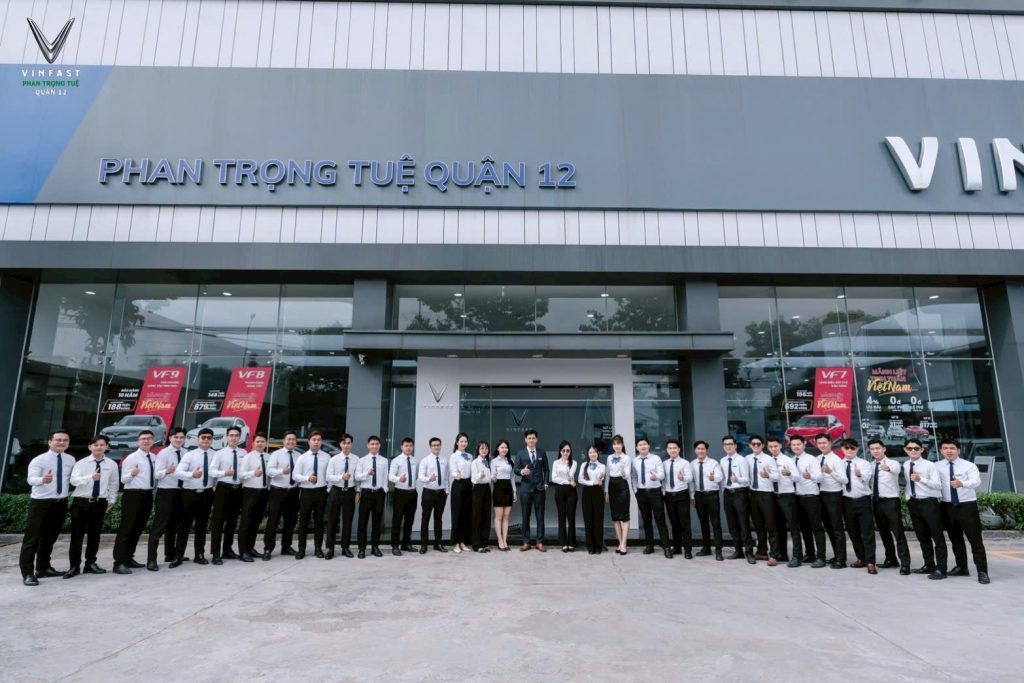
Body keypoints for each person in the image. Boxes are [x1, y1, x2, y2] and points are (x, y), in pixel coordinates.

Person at [20, 429, 76, 586]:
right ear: (50, 442)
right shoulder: (39, 460)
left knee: (50, 538)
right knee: (32, 539)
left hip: (60, 503)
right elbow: (31, 479)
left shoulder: (70, 459)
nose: (62, 442)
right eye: (58, 440)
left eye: (65, 440)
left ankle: (43, 568)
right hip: (41, 503)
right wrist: (42, 480)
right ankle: (27, 573)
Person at [64, 435, 119, 579]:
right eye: (95, 445)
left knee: (94, 536)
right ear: (90, 447)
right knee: (77, 536)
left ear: (106, 447)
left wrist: (112, 499)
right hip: (81, 502)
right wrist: (90, 477)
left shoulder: (111, 464)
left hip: (100, 503)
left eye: (102, 445)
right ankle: (74, 566)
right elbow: (74, 481)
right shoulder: (81, 463)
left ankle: (90, 564)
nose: (99, 447)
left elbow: (114, 484)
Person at [936, 438, 990, 584]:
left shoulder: (968, 466)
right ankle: (961, 567)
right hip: (947, 506)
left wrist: (962, 483)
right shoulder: (937, 466)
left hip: (967, 506)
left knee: (975, 540)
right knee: (955, 539)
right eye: (945, 448)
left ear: (958, 450)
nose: (949, 451)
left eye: (952, 448)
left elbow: (976, 481)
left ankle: (982, 572)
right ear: (941, 451)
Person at [901, 438, 948, 580]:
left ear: (921, 450)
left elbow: (938, 485)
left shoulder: (929, 465)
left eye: (916, 448)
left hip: (929, 503)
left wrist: (921, 479)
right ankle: (929, 565)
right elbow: (908, 483)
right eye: (910, 448)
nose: (913, 451)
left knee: (937, 537)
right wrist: (908, 497)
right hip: (914, 503)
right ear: (905, 450)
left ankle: (941, 568)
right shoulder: (906, 464)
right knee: (922, 537)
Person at [113, 430, 158, 574]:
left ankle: (128, 558)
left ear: (153, 441)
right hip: (133, 495)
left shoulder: (154, 457)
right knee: (126, 529)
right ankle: (119, 562)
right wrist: (132, 473)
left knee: (138, 529)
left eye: (149, 438)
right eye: (143, 438)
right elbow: (123, 480)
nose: (146, 441)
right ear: (138, 441)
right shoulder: (131, 458)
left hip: (147, 495)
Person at [867, 438, 911, 574]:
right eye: (872, 449)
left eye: (877, 448)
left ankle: (905, 564)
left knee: (898, 533)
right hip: (876, 501)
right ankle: (891, 559)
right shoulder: (870, 465)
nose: (875, 451)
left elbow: (896, 470)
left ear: (884, 449)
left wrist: (888, 468)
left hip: (891, 502)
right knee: (884, 532)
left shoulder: (893, 463)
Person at [172, 428, 216, 567]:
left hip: (207, 494)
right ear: (198, 439)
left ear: (212, 440)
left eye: (209, 437)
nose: (206, 440)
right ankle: (178, 556)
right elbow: (178, 473)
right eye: (203, 437)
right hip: (189, 494)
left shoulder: (216, 455)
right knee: (184, 526)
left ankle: (199, 554)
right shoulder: (190, 455)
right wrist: (192, 475)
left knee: (201, 526)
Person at [148, 427, 187, 569]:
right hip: (165, 492)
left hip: (181, 492)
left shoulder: (186, 453)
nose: (179, 440)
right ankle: (151, 560)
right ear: (170, 438)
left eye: (181, 437)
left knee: (174, 525)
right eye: (176, 437)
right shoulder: (163, 453)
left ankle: (170, 554)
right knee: (159, 527)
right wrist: (167, 471)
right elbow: (156, 474)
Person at [839, 439, 877, 574]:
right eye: (847, 448)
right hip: (846, 502)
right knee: (853, 532)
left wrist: (859, 474)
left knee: (867, 533)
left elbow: (866, 479)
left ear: (857, 449)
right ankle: (861, 558)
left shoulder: (864, 463)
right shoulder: (839, 464)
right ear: (842, 449)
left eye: (852, 448)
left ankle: (871, 562)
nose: (849, 450)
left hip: (863, 501)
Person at [208, 425, 246, 564]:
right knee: (218, 522)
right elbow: (211, 472)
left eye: (236, 435)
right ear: (227, 437)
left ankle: (227, 550)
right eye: (231, 435)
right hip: (223, 489)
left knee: (232, 521)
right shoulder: (220, 453)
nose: (234, 438)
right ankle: (215, 553)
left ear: (240, 437)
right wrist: (225, 473)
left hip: (238, 490)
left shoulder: (244, 453)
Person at [631, 437, 672, 558]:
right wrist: (636, 490)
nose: (643, 446)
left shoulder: (656, 458)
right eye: (640, 445)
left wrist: (656, 477)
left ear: (648, 446)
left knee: (660, 520)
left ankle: (666, 547)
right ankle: (650, 545)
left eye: (645, 444)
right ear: (637, 448)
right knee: (646, 520)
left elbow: (662, 474)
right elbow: (633, 477)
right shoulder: (635, 461)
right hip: (641, 493)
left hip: (655, 493)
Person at [262, 431, 301, 560]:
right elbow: (269, 471)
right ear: (284, 441)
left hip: (293, 491)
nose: (291, 441)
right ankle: (268, 548)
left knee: (290, 521)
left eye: (293, 439)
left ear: (296, 442)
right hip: (278, 491)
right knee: (273, 520)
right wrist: (282, 471)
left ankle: (286, 546)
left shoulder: (299, 456)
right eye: (288, 439)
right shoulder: (276, 454)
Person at [790, 435, 827, 568]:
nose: (796, 447)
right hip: (797, 497)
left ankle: (821, 557)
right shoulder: (791, 460)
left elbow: (820, 477)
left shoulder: (811, 459)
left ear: (804, 444)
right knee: (804, 528)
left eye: (798, 444)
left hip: (811, 497)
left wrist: (810, 476)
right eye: (793, 445)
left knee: (817, 528)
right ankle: (810, 554)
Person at [293, 431, 329, 560]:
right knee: (304, 521)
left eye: (319, 440)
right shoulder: (302, 458)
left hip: (321, 491)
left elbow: (329, 475)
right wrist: (307, 478)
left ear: (321, 442)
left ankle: (318, 549)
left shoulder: (327, 457)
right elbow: (295, 475)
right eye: (314, 439)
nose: (316, 442)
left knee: (319, 521)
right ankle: (301, 549)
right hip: (306, 492)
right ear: (309, 442)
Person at [815, 433, 848, 569]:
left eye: (824, 442)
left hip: (834, 495)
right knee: (828, 527)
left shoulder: (836, 460)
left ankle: (841, 560)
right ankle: (836, 555)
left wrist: (830, 472)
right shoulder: (817, 459)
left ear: (830, 443)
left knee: (837, 528)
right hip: (820, 494)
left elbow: (844, 480)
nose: (822, 445)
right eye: (819, 443)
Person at [720, 435, 754, 564]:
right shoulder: (722, 460)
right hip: (727, 494)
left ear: (735, 446)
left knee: (743, 524)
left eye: (730, 444)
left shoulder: (741, 460)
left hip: (739, 493)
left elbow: (747, 479)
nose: (728, 446)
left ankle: (749, 552)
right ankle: (738, 550)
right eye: (725, 444)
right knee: (732, 524)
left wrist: (737, 479)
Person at [238, 432, 272, 562]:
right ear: (253, 443)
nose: (260, 444)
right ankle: (243, 552)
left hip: (263, 492)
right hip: (250, 492)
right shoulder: (248, 457)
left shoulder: (268, 457)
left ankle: (250, 548)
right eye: (257, 441)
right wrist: (253, 473)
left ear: (266, 443)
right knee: (246, 523)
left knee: (256, 522)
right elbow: (241, 475)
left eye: (262, 441)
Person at [769, 437, 803, 567]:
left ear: (780, 446)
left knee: (793, 527)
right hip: (774, 496)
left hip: (787, 496)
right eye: (771, 447)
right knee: (779, 527)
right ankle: (782, 554)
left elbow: (797, 478)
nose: (773, 449)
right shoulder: (768, 460)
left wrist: (789, 473)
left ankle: (797, 556)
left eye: (775, 446)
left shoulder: (787, 460)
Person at [745, 435, 779, 566]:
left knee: (771, 525)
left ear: (763, 445)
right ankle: (762, 551)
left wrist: (768, 475)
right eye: (753, 444)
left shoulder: (769, 459)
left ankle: (774, 554)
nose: (756, 446)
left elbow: (776, 476)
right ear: (750, 445)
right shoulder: (747, 459)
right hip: (753, 494)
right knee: (758, 525)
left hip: (766, 494)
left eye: (758, 444)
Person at [514, 429, 549, 552]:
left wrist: (546, 483)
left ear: (536, 439)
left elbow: (546, 470)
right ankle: (526, 542)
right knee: (525, 516)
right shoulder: (520, 453)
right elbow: (516, 469)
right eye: (529, 438)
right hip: (525, 489)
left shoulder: (542, 452)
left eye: (533, 438)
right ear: (525, 440)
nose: (531, 440)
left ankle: (539, 542)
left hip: (539, 489)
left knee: (540, 516)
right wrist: (522, 471)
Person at [325, 433, 359, 559]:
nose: (346, 445)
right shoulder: (334, 459)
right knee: (332, 521)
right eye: (344, 443)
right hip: (336, 491)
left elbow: (357, 478)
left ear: (351, 444)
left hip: (349, 492)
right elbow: (328, 477)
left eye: (348, 443)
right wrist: (341, 477)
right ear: (340, 444)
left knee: (347, 521)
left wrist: (358, 491)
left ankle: (345, 548)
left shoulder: (356, 459)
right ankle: (331, 548)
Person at [690, 440, 724, 561]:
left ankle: (718, 550)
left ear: (706, 450)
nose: (701, 451)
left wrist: (713, 477)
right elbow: (692, 482)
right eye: (698, 449)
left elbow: (720, 477)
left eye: (703, 449)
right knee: (703, 523)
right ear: (695, 450)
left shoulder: (713, 463)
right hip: (699, 495)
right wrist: (692, 496)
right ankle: (706, 548)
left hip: (712, 495)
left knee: (716, 523)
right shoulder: (692, 464)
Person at [355, 435, 388, 558]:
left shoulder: (384, 461)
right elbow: (357, 477)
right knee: (362, 522)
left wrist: (384, 490)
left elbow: (385, 477)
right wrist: (367, 474)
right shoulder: (362, 460)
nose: (374, 446)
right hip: (366, 493)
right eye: (372, 444)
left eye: (377, 444)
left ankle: (375, 547)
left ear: (379, 445)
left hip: (379, 493)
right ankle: (362, 548)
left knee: (377, 522)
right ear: (368, 446)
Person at [417, 436, 449, 554]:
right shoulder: (425, 460)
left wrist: (446, 490)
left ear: (440, 446)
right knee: (425, 518)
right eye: (434, 445)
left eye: (438, 445)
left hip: (441, 493)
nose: (436, 447)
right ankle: (423, 545)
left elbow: (447, 476)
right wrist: (429, 479)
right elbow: (420, 477)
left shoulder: (444, 460)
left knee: (438, 519)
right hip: (428, 492)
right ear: (430, 447)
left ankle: (438, 543)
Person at [662, 439, 693, 559]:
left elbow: (690, 478)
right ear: (667, 450)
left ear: (679, 449)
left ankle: (688, 550)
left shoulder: (685, 463)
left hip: (681, 495)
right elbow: (663, 480)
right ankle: (677, 547)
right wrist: (664, 493)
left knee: (685, 524)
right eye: (670, 448)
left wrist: (683, 477)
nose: (672, 450)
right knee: (674, 523)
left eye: (674, 448)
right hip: (669, 496)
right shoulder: (664, 463)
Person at [388, 437, 419, 556]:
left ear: (413, 447)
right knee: (397, 520)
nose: (408, 448)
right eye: (406, 445)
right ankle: (395, 546)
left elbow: (416, 476)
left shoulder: (415, 460)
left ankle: (406, 544)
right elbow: (390, 476)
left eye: (410, 446)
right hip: (400, 493)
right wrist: (398, 479)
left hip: (412, 493)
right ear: (402, 447)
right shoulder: (396, 461)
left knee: (409, 520)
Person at [604, 435, 632, 555]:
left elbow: (627, 475)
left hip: (622, 485)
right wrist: (606, 491)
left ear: (622, 445)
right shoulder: (609, 457)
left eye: (619, 443)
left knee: (624, 516)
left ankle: (624, 544)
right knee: (615, 517)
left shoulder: (626, 458)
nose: (617, 446)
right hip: (612, 486)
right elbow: (607, 475)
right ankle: (620, 543)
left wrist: (623, 473)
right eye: (614, 444)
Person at [550, 441, 578, 553]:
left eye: (568, 450)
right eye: (563, 450)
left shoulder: (573, 463)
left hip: (571, 491)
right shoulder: (555, 463)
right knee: (561, 516)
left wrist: (567, 480)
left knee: (571, 516)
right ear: (560, 451)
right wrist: (568, 481)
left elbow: (570, 475)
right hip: (560, 490)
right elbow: (553, 478)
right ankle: (563, 542)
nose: (566, 452)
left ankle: (571, 542)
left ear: (570, 452)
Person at [449, 432, 474, 553]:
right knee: (457, 514)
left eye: (465, 441)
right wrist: (456, 474)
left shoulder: (470, 456)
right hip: (458, 484)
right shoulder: (454, 456)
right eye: (461, 441)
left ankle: (463, 541)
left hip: (468, 485)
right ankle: (456, 543)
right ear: (457, 443)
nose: (463, 443)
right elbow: (453, 471)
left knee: (466, 514)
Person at [578, 445, 606, 554]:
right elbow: (580, 479)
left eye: (594, 452)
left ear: (597, 453)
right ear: (588, 454)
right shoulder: (584, 465)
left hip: (598, 492)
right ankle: (590, 546)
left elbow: (601, 478)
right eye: (590, 452)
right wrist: (592, 482)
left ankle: (598, 546)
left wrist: (599, 480)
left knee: (598, 519)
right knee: (588, 519)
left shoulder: (602, 466)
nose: (592, 454)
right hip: (587, 492)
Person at [490, 440, 517, 551]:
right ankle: (500, 540)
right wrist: (494, 475)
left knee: (506, 516)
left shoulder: (510, 461)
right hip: (499, 488)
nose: (504, 449)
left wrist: (514, 491)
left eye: (506, 447)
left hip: (508, 488)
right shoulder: (494, 461)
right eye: (502, 447)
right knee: (499, 517)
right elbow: (492, 479)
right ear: (498, 449)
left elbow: (512, 477)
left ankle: (505, 540)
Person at [470, 441, 493, 553]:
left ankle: (485, 543)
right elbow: (473, 479)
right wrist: (480, 475)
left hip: (487, 488)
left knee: (486, 516)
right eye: (482, 448)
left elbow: (490, 478)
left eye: (486, 448)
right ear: (478, 450)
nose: (484, 450)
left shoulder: (487, 462)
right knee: (477, 516)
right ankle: (476, 544)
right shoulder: (475, 462)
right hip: (478, 489)